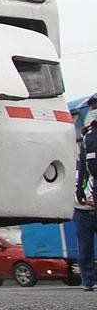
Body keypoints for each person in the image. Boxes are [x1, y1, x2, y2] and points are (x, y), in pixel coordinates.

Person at [75, 101, 97, 292]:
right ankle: (88, 281)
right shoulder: (87, 136)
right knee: (85, 249)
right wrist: (81, 195)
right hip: (83, 211)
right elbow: (83, 167)